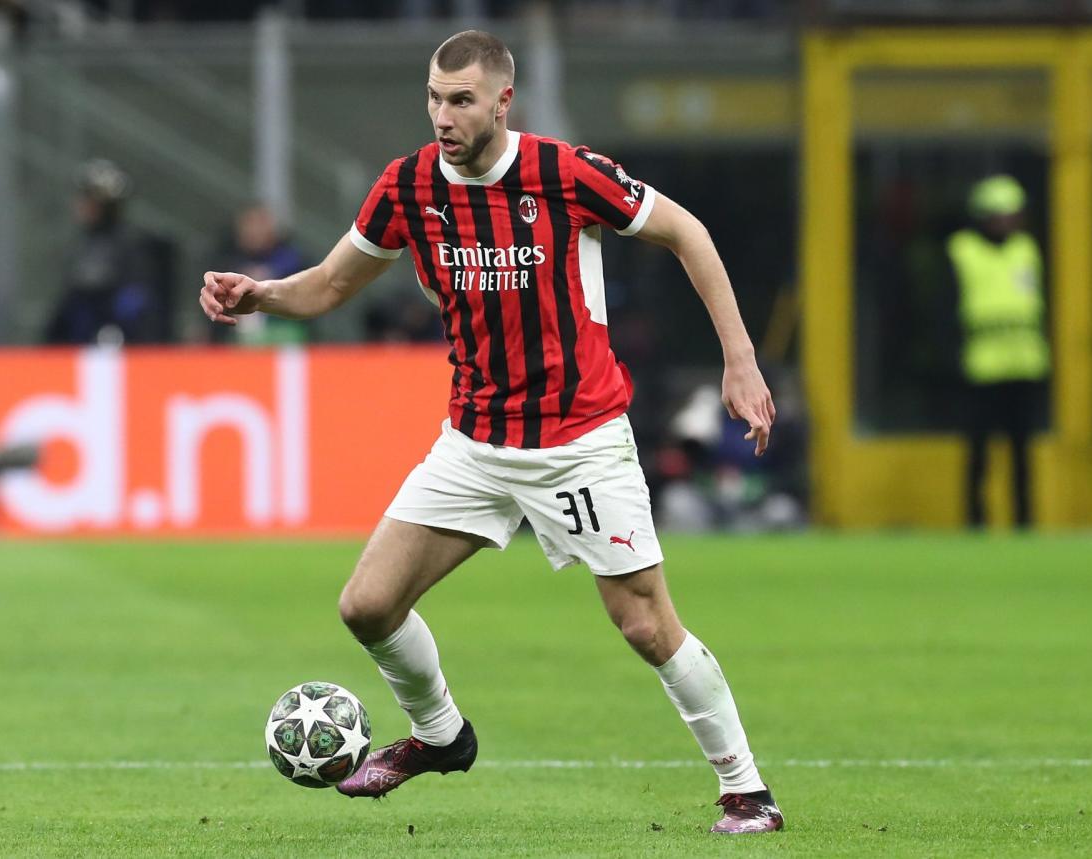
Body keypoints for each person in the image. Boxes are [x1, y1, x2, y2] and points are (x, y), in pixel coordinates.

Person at [200, 30, 782, 835]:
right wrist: (259, 294)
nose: (443, 116)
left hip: (577, 440)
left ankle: (745, 789)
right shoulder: (407, 186)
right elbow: (331, 283)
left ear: (502, 101)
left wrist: (739, 360)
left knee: (645, 624)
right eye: (434, 98)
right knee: (367, 605)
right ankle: (440, 734)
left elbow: (688, 232)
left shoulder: (564, 172)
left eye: (461, 101)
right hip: (475, 443)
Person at [947, 176, 1049, 528]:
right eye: (999, 215)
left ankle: (1025, 520)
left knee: (1023, 452)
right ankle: (976, 520)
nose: (1007, 222)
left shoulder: (1027, 249)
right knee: (979, 452)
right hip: (982, 365)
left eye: (1012, 215)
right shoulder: (963, 250)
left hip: (1025, 362)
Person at [45, 159, 169, 345]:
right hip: (80, 346)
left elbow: (139, 306)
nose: (80, 205)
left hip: (120, 345)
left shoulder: (132, 247)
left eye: (88, 200)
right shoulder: (83, 245)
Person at [209, 202, 310, 345]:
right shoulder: (224, 261)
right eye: (249, 224)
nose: (254, 231)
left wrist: (269, 274)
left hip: (284, 339)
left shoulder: (293, 260)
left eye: (260, 224)